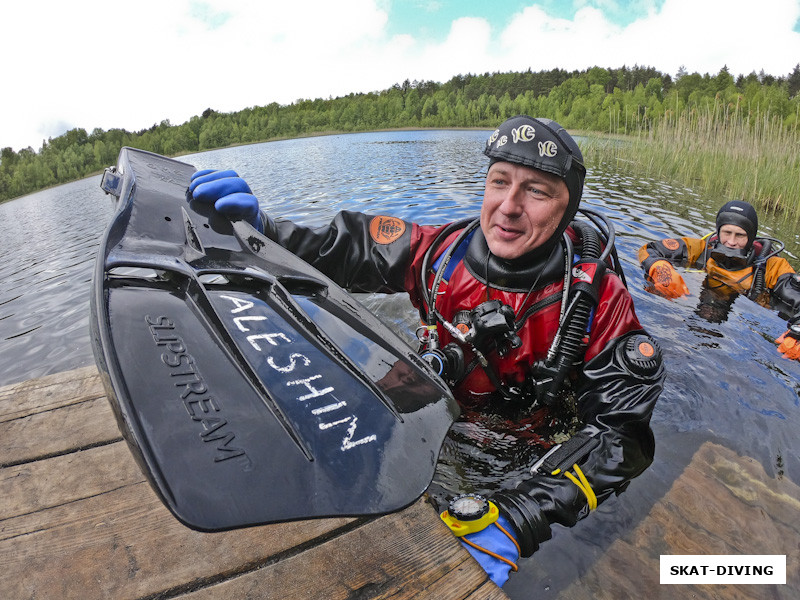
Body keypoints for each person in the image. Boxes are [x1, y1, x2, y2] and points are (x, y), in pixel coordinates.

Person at [189, 115, 665, 587]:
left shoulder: (597, 302)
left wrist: (522, 517)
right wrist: (265, 232)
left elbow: (622, 437)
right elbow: (351, 246)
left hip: (530, 446)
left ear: (567, 209)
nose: (509, 206)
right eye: (499, 181)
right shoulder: (439, 254)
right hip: (441, 412)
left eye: (537, 191)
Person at [638, 199, 800, 360]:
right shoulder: (703, 249)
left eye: (740, 235)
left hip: (743, 322)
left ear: (751, 237)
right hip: (700, 299)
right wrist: (660, 269)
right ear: (718, 230)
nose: (731, 242)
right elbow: (650, 249)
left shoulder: (772, 266)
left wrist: (797, 331)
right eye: (726, 233)